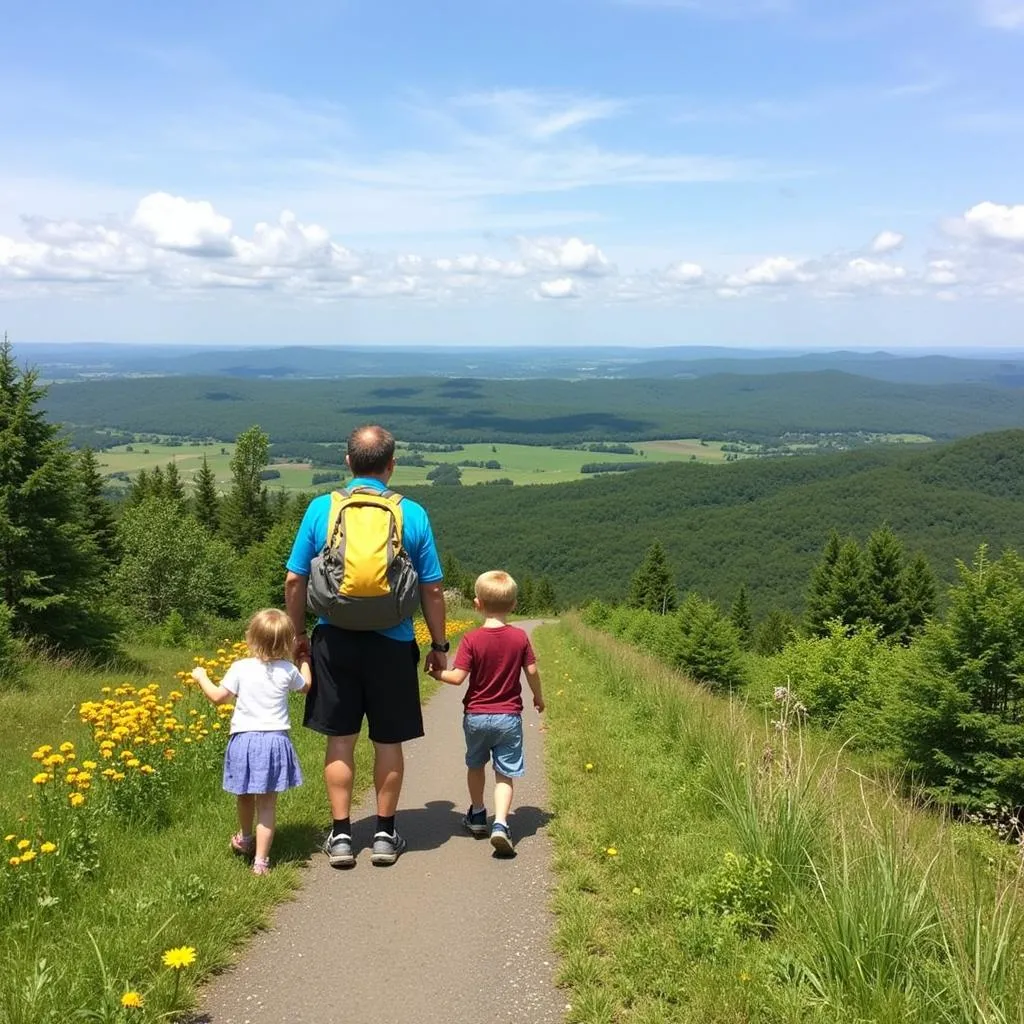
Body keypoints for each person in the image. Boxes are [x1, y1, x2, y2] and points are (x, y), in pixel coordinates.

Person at [285, 424, 448, 867]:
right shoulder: (411, 513)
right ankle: (384, 833)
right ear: (391, 466)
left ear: (347, 462)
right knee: (388, 742)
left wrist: (299, 637)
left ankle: (340, 837)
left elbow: (294, 579)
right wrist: (438, 643)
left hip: (333, 641)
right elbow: (432, 589)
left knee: (340, 741)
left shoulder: (322, 509)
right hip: (392, 642)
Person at [430, 570, 544, 856]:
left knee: (476, 764)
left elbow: (457, 678)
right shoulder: (519, 638)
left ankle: (478, 815)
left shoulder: (471, 639)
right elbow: (531, 671)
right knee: (505, 773)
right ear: (514, 604)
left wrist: (436, 673)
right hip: (508, 717)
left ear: (477, 603)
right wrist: (538, 698)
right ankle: (502, 824)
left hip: (477, 716)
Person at [192, 608, 311, 876]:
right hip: (274, 742)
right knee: (267, 804)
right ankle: (261, 862)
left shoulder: (240, 668)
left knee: (244, 795)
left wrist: (201, 677)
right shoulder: (288, 670)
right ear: (287, 643)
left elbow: (218, 697)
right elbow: (306, 687)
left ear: (250, 638)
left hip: (244, 741)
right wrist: (304, 659)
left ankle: (245, 838)